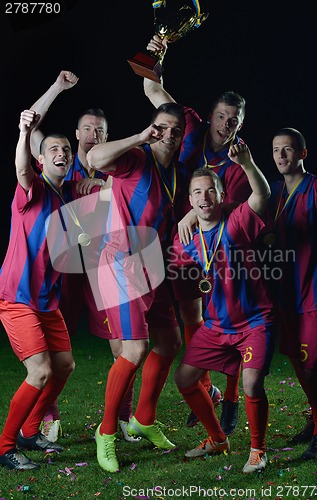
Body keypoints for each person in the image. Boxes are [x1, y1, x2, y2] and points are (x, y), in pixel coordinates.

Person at [142, 35, 252, 432]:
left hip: (221, 253)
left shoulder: (239, 162)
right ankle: (205, 389)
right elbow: (152, 87)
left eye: (234, 120)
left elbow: (238, 212)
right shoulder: (187, 126)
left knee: (228, 321)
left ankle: (233, 398)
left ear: (241, 123)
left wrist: (194, 211)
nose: (227, 125)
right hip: (181, 248)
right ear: (209, 116)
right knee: (191, 319)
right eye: (222, 116)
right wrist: (158, 53)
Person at [29, 71, 139, 443]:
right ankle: (48, 414)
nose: (94, 135)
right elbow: (32, 129)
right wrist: (57, 88)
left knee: (123, 346)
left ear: (108, 136)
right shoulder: (60, 164)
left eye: (101, 130)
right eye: (88, 129)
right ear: (77, 135)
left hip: (103, 268)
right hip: (61, 271)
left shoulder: (119, 167)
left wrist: (107, 186)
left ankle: (122, 418)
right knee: (49, 349)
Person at [86, 102, 189, 473]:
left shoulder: (176, 171)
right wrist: (138, 138)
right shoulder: (136, 159)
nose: (169, 135)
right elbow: (95, 156)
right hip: (120, 263)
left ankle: (143, 419)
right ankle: (107, 431)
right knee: (134, 349)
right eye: (163, 128)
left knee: (171, 342)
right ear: (153, 129)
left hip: (154, 267)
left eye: (176, 130)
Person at [172, 143, 276, 473]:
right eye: (197, 193)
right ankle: (218, 439)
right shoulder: (186, 237)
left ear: (221, 194)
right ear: (190, 201)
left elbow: (261, 195)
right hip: (217, 325)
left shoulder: (237, 221)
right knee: (185, 378)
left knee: (251, 385)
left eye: (210, 191)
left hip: (254, 320)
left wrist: (246, 162)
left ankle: (258, 450)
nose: (204, 198)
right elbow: (169, 266)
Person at [0, 110, 76, 470]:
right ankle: (4, 447)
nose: (63, 152)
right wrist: (24, 132)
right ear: (41, 158)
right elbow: (20, 168)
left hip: (46, 300)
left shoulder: (65, 198)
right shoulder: (33, 188)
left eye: (68, 149)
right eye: (55, 149)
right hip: (17, 297)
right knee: (40, 371)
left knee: (64, 365)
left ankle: (32, 430)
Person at [268, 118, 317, 459]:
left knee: (310, 368)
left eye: (287, 149)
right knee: (297, 363)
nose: (280, 155)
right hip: (286, 294)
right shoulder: (274, 194)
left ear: (302, 153)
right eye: (276, 150)